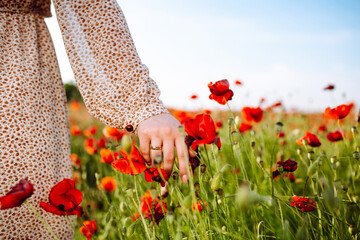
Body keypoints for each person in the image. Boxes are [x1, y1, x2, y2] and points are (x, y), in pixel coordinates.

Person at [0, 0, 189, 239]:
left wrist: (142, 105)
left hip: (15, 78)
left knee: (19, 215)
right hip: (18, 63)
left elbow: (91, 5)